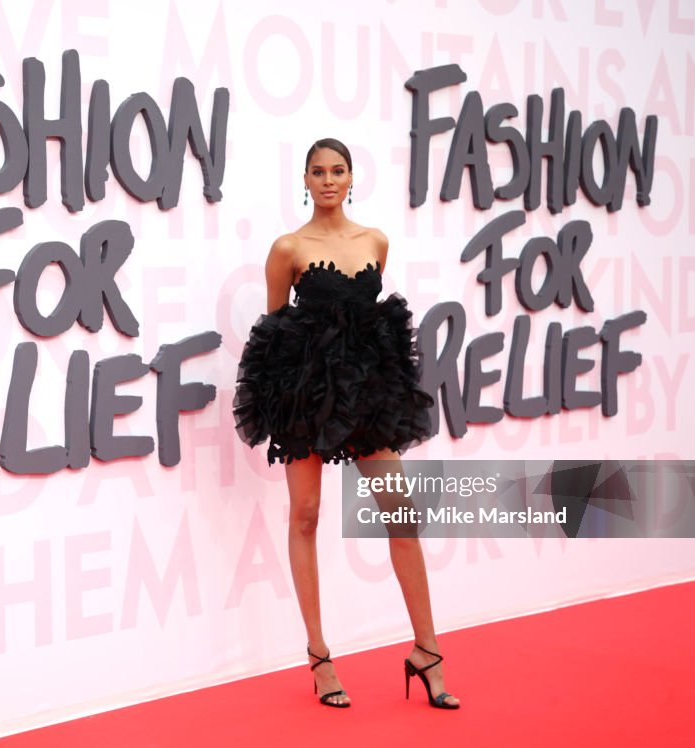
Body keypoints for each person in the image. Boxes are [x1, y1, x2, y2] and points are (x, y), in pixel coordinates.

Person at [233, 138, 460, 710]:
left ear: (351, 177)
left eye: (337, 170)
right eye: (318, 171)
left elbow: (373, 329)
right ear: (304, 180)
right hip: (305, 396)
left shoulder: (376, 241)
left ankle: (427, 651)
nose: (328, 180)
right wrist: (281, 402)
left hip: (366, 395)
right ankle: (319, 658)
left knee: (400, 514)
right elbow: (273, 332)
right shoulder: (288, 248)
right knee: (306, 515)